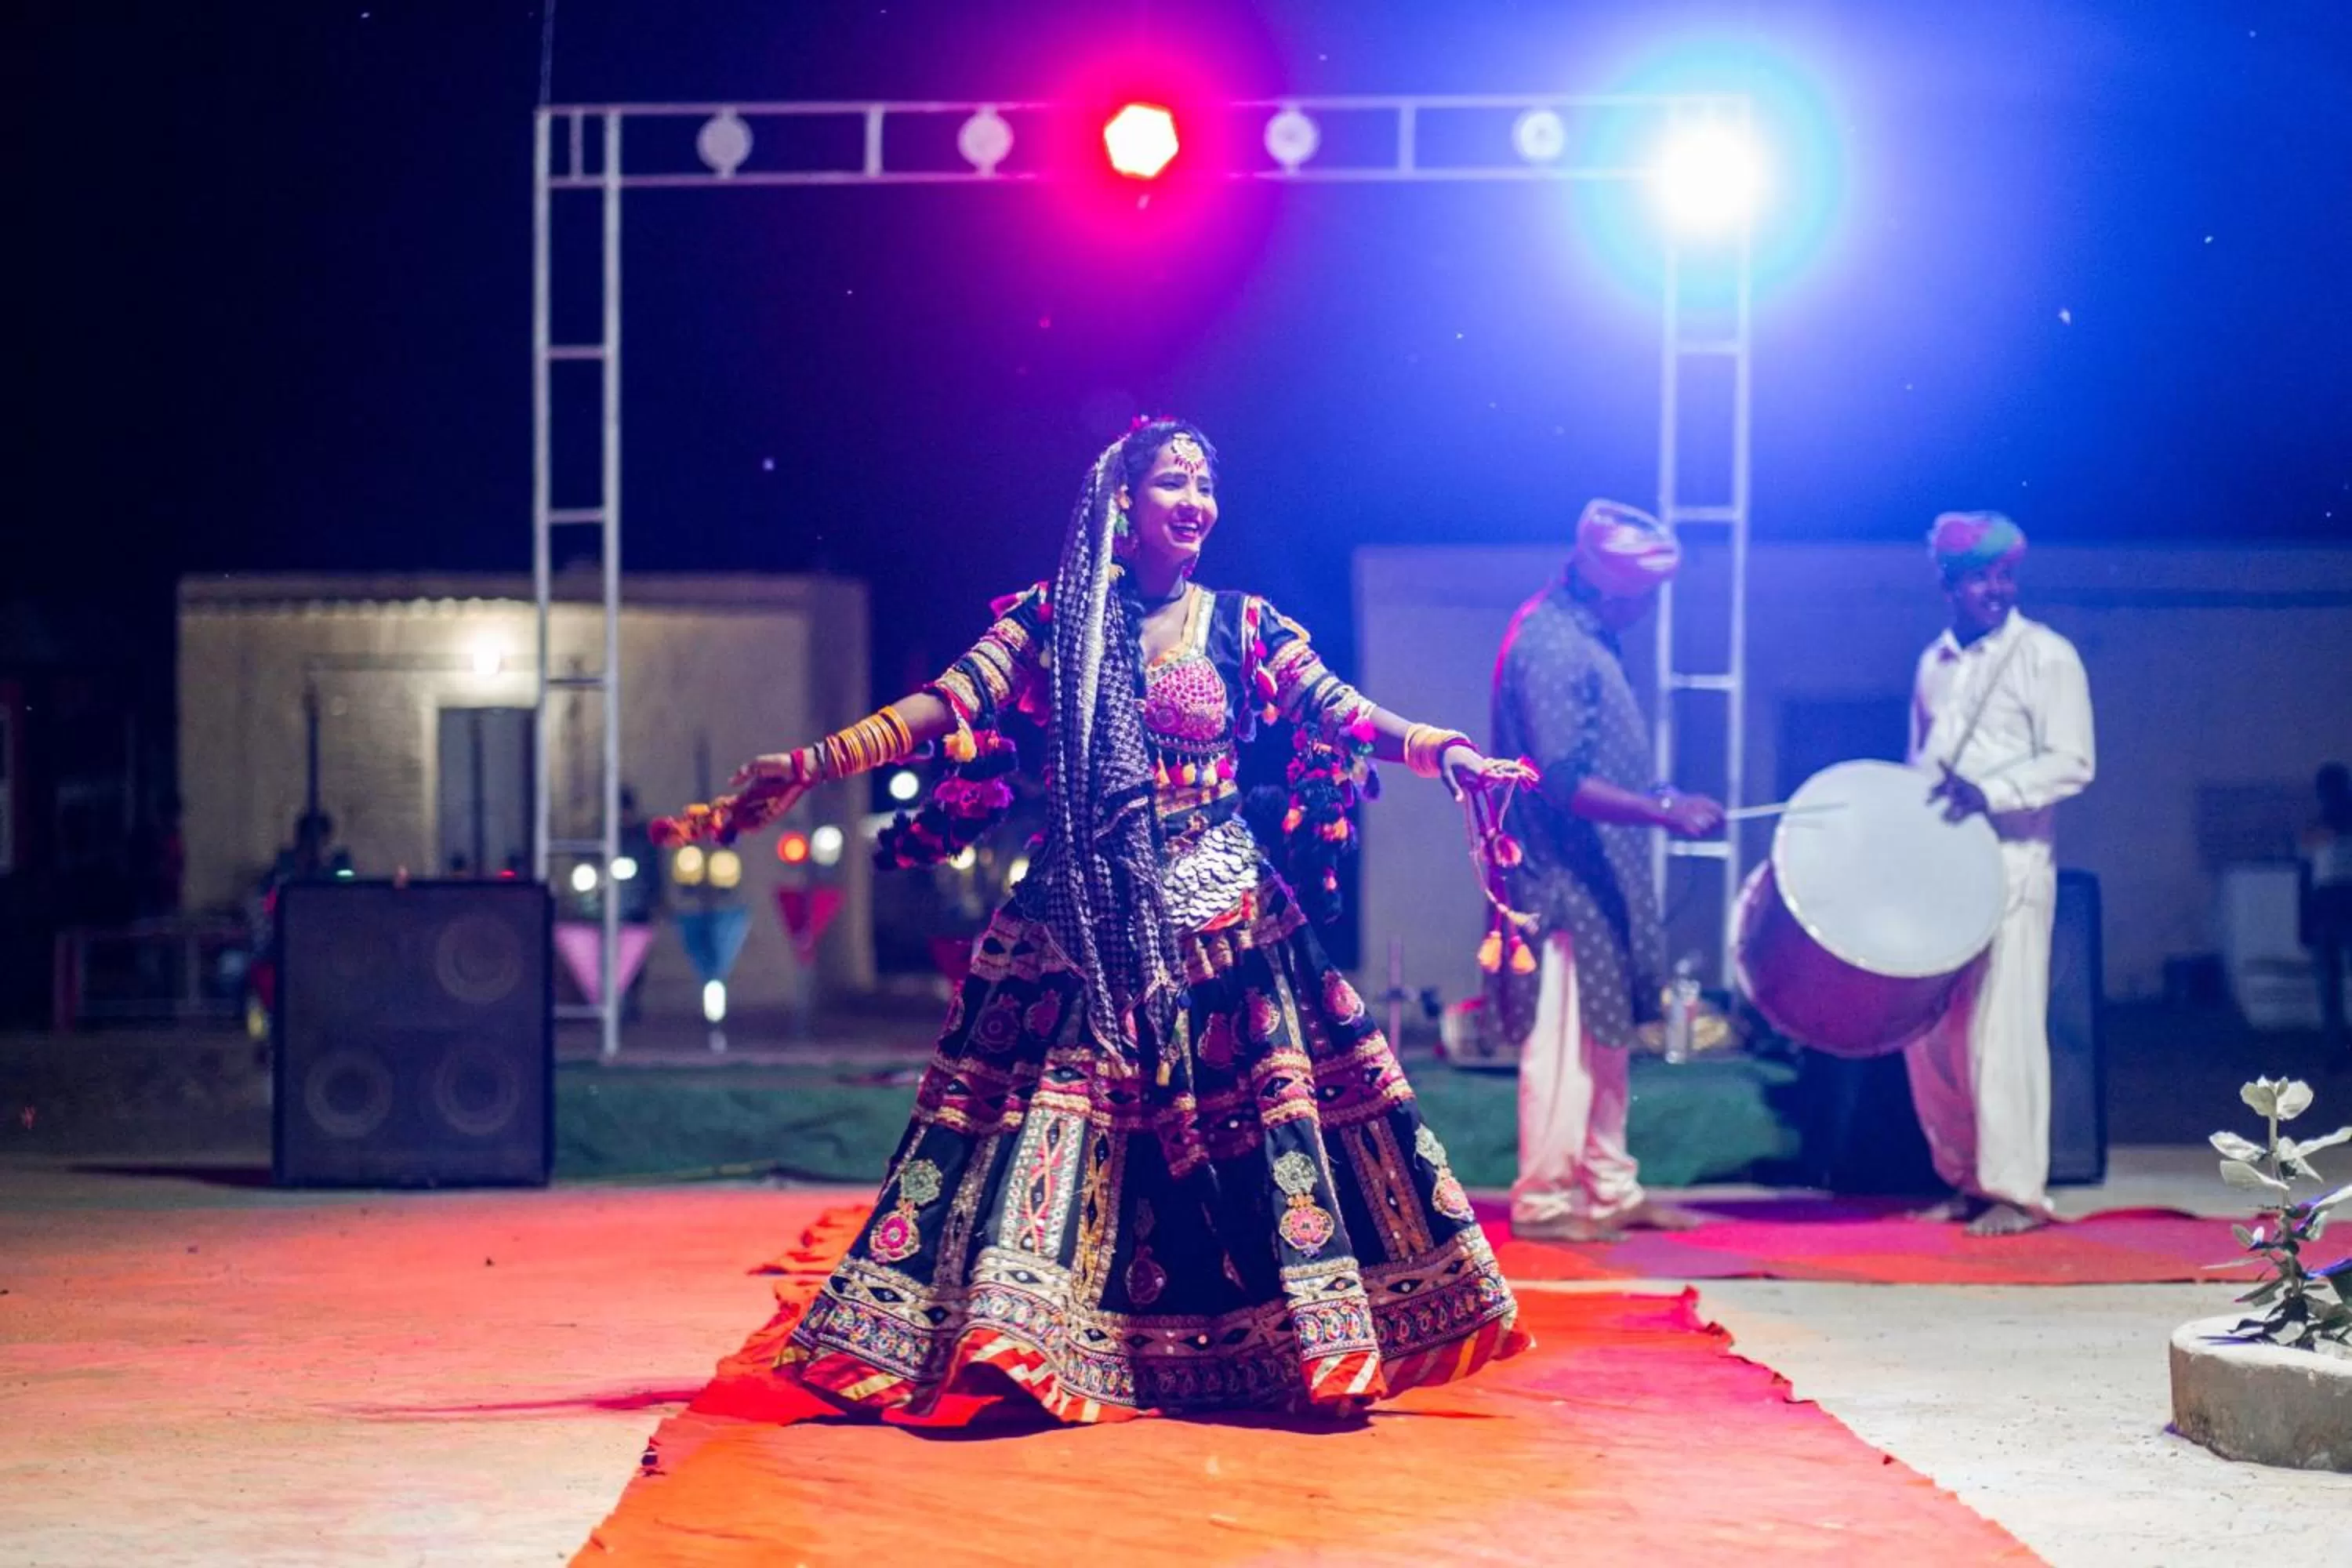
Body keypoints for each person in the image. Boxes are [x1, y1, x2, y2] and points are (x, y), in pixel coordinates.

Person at [691, 420, 1530, 1424]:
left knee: (1265, 1133)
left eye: (1207, 483)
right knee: (1048, 1127)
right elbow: (948, 701)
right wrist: (814, 762)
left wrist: (1447, 753)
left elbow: (1337, 710)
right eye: (1174, 479)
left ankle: (1284, 1344)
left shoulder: (1244, 624)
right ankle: (1024, 1340)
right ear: (1120, 503)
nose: (1197, 500)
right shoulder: (1056, 620)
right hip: (1081, 919)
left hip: (1227, 915)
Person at [1490, 499, 1725, 1243]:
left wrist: (1659, 799)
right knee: (1561, 1038)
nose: (1652, 610)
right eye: (1648, 596)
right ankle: (1546, 1200)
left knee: (1605, 1033)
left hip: (1599, 876)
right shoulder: (1553, 644)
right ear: (1614, 588)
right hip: (1559, 879)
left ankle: (1608, 1187)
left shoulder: (1586, 634)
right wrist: (1662, 813)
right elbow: (1560, 780)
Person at [1904, 512, 2096, 1236]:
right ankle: (1964, 1180)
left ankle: (2016, 1192)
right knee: (1933, 1037)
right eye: (1982, 575)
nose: (1997, 588)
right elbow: (1916, 766)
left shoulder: (2047, 656)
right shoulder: (1933, 663)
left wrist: (1993, 793)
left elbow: (2074, 761)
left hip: (2013, 868)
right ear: (1949, 582)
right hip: (1940, 873)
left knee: (2001, 1033)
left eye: (2006, 574)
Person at [2300, 763, 2352, 1058]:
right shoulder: (2324, 824)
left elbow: (2307, 870)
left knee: (2329, 985)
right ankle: (2336, 1048)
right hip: (2340, 907)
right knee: (2331, 983)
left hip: (2326, 909)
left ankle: (2336, 1049)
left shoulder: (2318, 826)